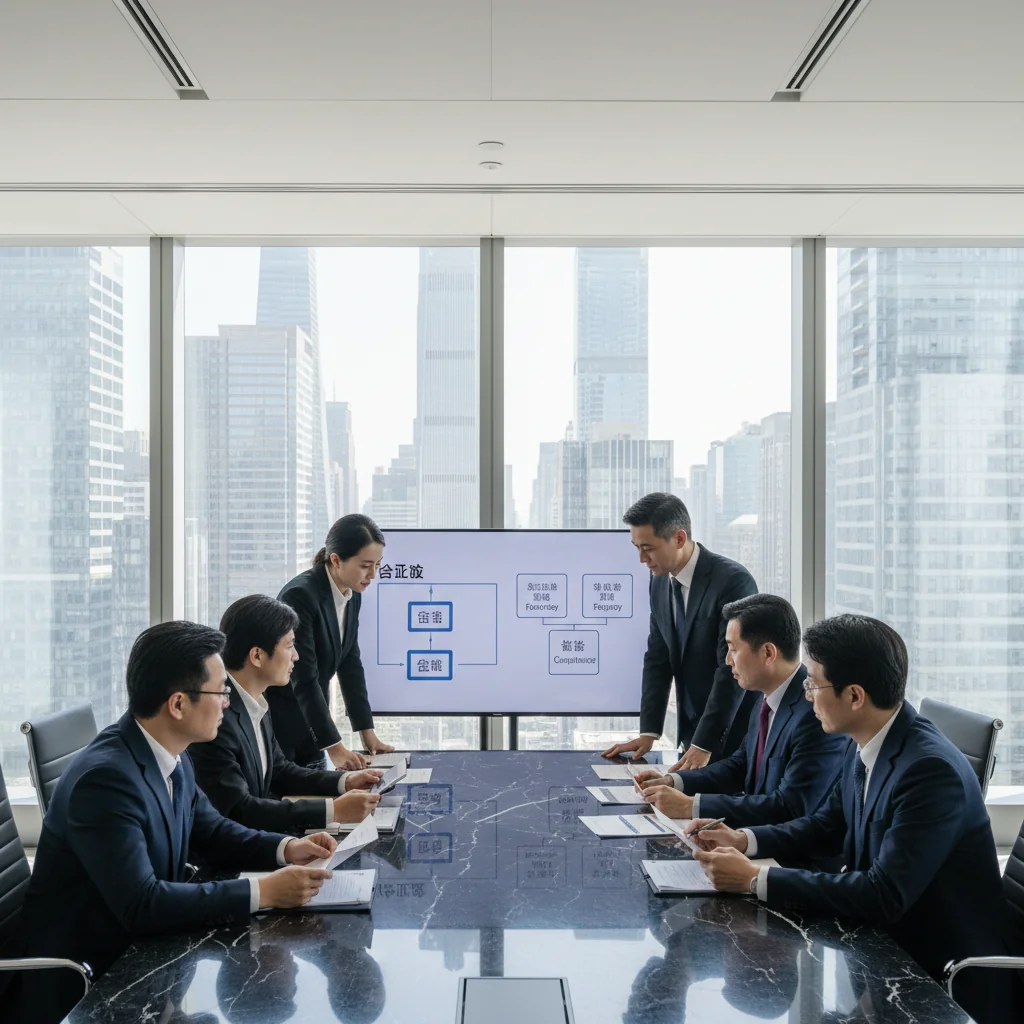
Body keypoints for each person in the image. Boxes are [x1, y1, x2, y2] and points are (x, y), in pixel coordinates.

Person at [688, 614, 1021, 1024]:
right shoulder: (863, 739)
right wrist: (744, 840)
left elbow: (884, 894)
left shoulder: (929, 772)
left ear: (855, 696)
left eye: (813, 683)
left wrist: (755, 880)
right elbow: (824, 826)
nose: (806, 695)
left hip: (939, 978)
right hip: (881, 953)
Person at [11, 621, 340, 1024]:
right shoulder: (106, 780)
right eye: (220, 692)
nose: (228, 704)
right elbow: (142, 904)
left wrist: (284, 848)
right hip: (88, 982)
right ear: (178, 704)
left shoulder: (170, 751)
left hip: (144, 959)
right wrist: (264, 892)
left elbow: (212, 829)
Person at [634, 594, 845, 826]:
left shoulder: (816, 711)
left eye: (733, 649)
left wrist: (690, 806)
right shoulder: (767, 697)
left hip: (791, 855)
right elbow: (740, 765)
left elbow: (790, 806)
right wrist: (675, 782)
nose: (727, 660)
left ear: (768, 653)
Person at [189, 595, 383, 833]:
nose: (296, 656)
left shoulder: (256, 701)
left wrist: (345, 781)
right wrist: (333, 810)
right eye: (290, 646)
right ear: (257, 656)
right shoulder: (217, 718)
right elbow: (239, 810)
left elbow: (280, 770)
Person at [602, 492, 758, 771]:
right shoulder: (659, 583)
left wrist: (704, 744)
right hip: (690, 737)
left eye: (647, 548)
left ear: (679, 538)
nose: (641, 559)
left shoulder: (733, 582)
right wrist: (649, 732)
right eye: (636, 547)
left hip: (732, 739)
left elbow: (730, 672)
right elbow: (658, 658)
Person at [267, 514, 394, 770]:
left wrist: (366, 731)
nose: (373, 574)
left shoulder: (351, 591)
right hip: (286, 723)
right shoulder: (300, 596)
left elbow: (350, 661)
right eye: (365, 565)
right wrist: (334, 748)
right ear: (335, 560)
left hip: (313, 724)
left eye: (378, 565)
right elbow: (303, 677)